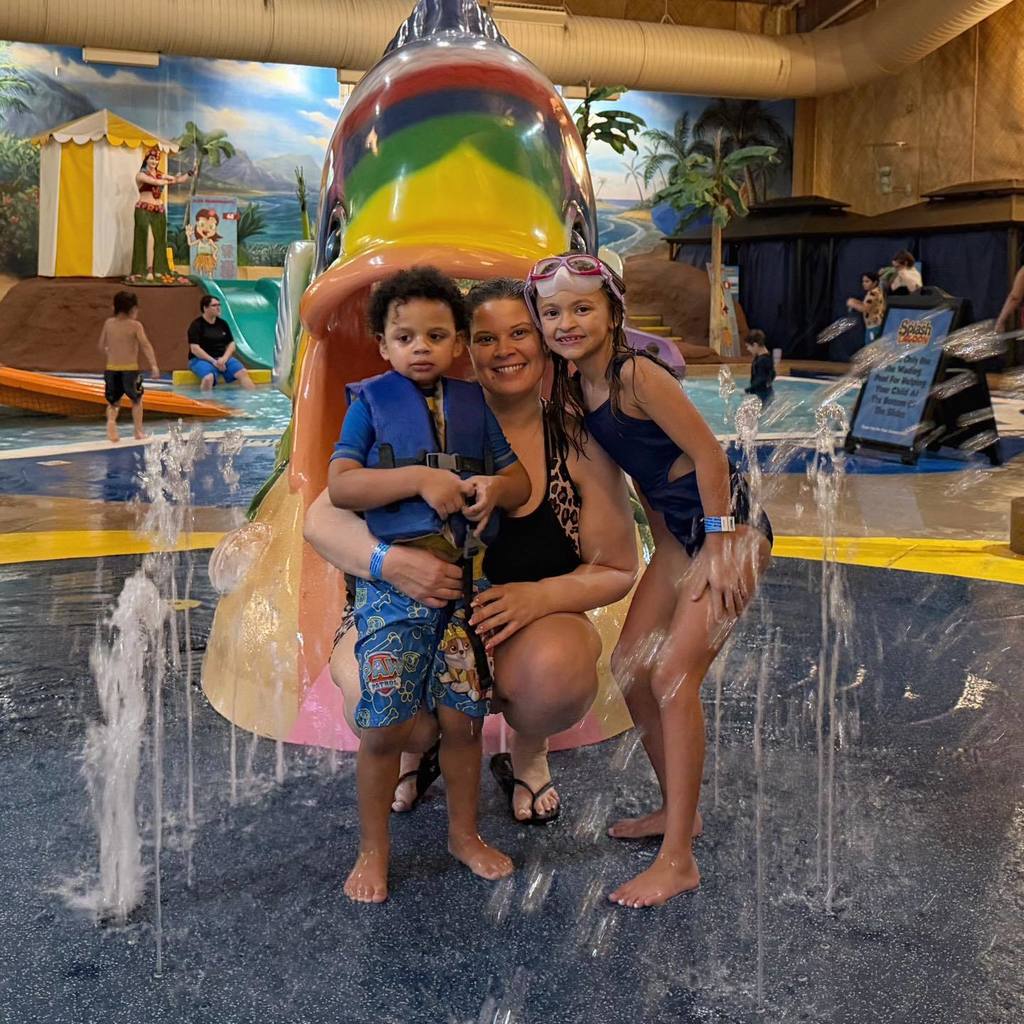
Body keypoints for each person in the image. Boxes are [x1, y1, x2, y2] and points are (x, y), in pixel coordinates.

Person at [303, 277, 637, 836]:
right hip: (403, 608)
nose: (505, 349)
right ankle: (416, 751)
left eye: (521, 333)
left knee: (559, 669)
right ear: (465, 348)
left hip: (511, 626)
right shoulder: (418, 416)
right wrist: (393, 562)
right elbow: (322, 516)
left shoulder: (576, 444)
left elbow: (618, 567)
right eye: (487, 338)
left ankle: (528, 752)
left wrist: (538, 596)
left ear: (545, 340)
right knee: (376, 688)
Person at [526, 253, 773, 908]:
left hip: (734, 530)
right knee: (633, 665)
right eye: (552, 312)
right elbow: (640, 471)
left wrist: (718, 546)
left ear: (612, 312)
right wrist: (667, 544)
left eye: (582, 307)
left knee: (672, 676)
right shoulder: (577, 391)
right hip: (678, 535)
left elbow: (708, 455)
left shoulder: (638, 375)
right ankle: (677, 812)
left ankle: (679, 860)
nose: (567, 321)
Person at [327, 267, 532, 903]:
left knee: (463, 721)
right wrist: (417, 478)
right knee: (385, 728)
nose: (421, 347)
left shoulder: (475, 406)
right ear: (384, 345)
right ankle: (373, 849)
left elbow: (519, 483)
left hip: (463, 600)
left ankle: (464, 835)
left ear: (458, 344)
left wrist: (497, 487)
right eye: (405, 336)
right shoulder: (369, 403)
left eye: (437, 335)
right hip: (393, 598)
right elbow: (343, 485)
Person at [97, 290, 160, 443]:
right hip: (130, 370)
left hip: (111, 368)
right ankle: (138, 431)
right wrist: (154, 365)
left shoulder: (108, 324)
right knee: (137, 400)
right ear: (133, 309)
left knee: (113, 402)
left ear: (114, 307)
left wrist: (109, 352)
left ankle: (111, 423)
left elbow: (101, 345)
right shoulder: (135, 326)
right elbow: (145, 345)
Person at [129, 148, 192, 282]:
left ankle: (158, 269)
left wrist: (190, 173)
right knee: (147, 239)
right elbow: (156, 182)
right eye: (152, 158)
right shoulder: (141, 175)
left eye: (157, 159)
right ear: (146, 159)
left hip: (159, 210)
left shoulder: (160, 174)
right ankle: (145, 270)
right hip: (144, 210)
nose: (154, 161)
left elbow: (179, 180)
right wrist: (171, 180)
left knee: (159, 240)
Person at [187, 296, 256, 391]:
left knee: (243, 372)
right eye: (214, 305)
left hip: (221, 358)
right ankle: (206, 403)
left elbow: (232, 344)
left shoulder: (222, 324)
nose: (218, 308)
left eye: (219, 305)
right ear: (205, 308)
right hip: (200, 359)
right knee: (208, 378)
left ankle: (253, 399)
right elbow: (195, 349)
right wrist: (214, 362)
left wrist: (224, 359)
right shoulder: (196, 325)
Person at [846, 271, 886, 345]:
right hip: (875, 325)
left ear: (874, 282)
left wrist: (852, 303)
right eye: (863, 281)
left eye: (867, 281)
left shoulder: (874, 293)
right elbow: (868, 305)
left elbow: (864, 308)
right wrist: (856, 301)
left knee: (871, 348)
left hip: (874, 326)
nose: (863, 283)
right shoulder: (875, 291)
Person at [743, 329, 775, 405]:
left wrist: (749, 390)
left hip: (762, 394)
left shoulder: (762, 361)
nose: (747, 349)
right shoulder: (766, 357)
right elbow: (773, 373)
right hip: (766, 392)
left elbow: (761, 379)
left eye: (748, 346)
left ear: (755, 345)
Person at [186, 208, 222, 278]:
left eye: (211, 227)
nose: (206, 229)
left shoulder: (210, 241)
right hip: (200, 257)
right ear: (197, 225)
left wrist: (214, 254)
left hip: (208, 257)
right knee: (201, 269)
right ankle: (201, 278)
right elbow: (190, 244)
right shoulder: (199, 240)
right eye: (202, 225)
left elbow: (216, 248)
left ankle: (210, 278)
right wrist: (188, 235)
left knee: (209, 270)